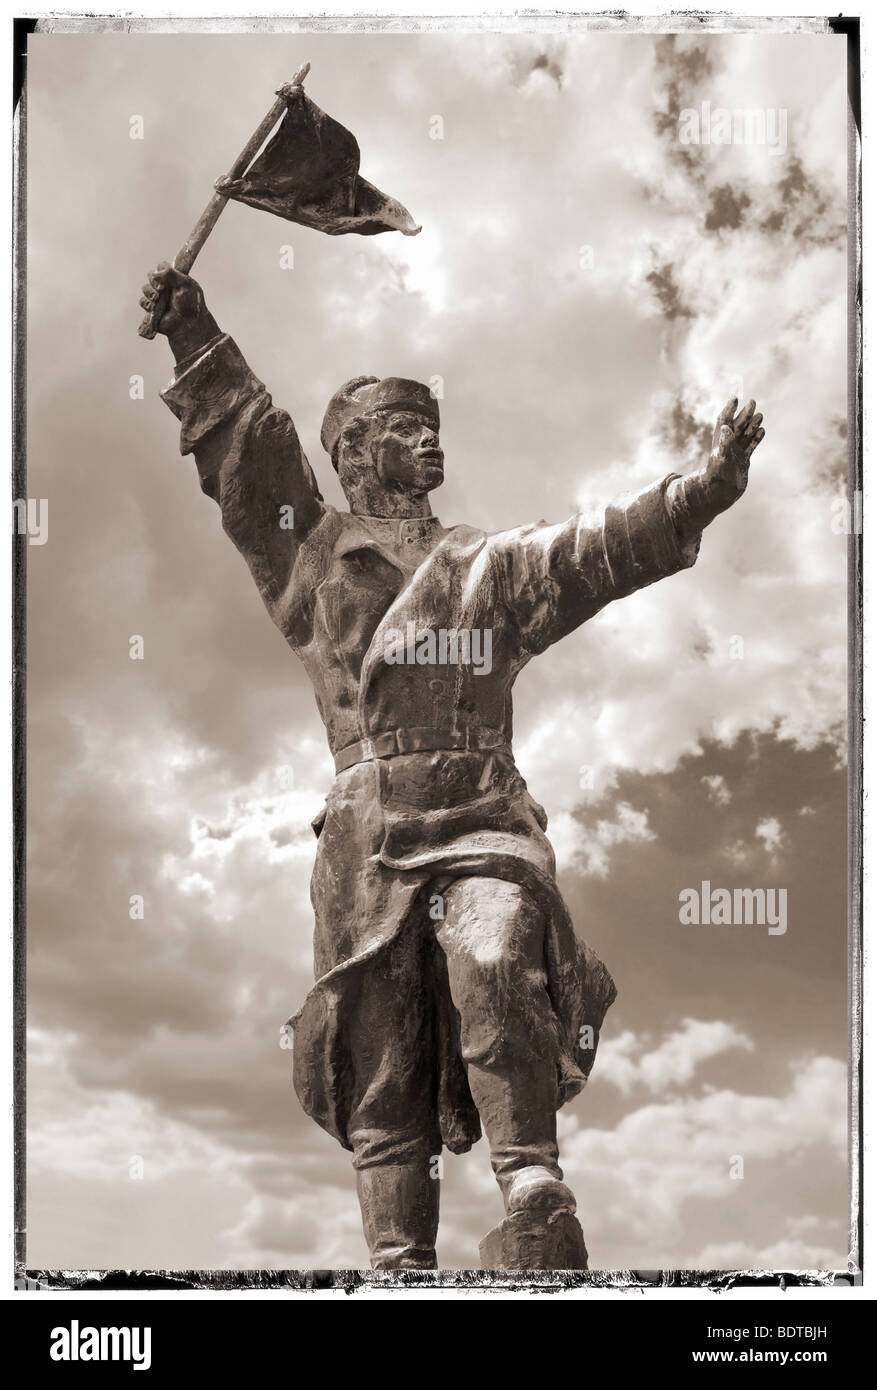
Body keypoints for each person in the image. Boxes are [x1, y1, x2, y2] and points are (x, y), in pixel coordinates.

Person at [140, 262, 765, 1269]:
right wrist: (194, 329)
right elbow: (250, 458)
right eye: (406, 424)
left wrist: (703, 488)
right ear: (352, 450)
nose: (432, 438)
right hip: (367, 833)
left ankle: (531, 1187)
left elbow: (595, 549)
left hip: (480, 811)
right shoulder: (308, 554)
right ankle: (400, 1268)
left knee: (495, 946)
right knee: (384, 1066)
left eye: (434, 423)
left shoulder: (488, 564)